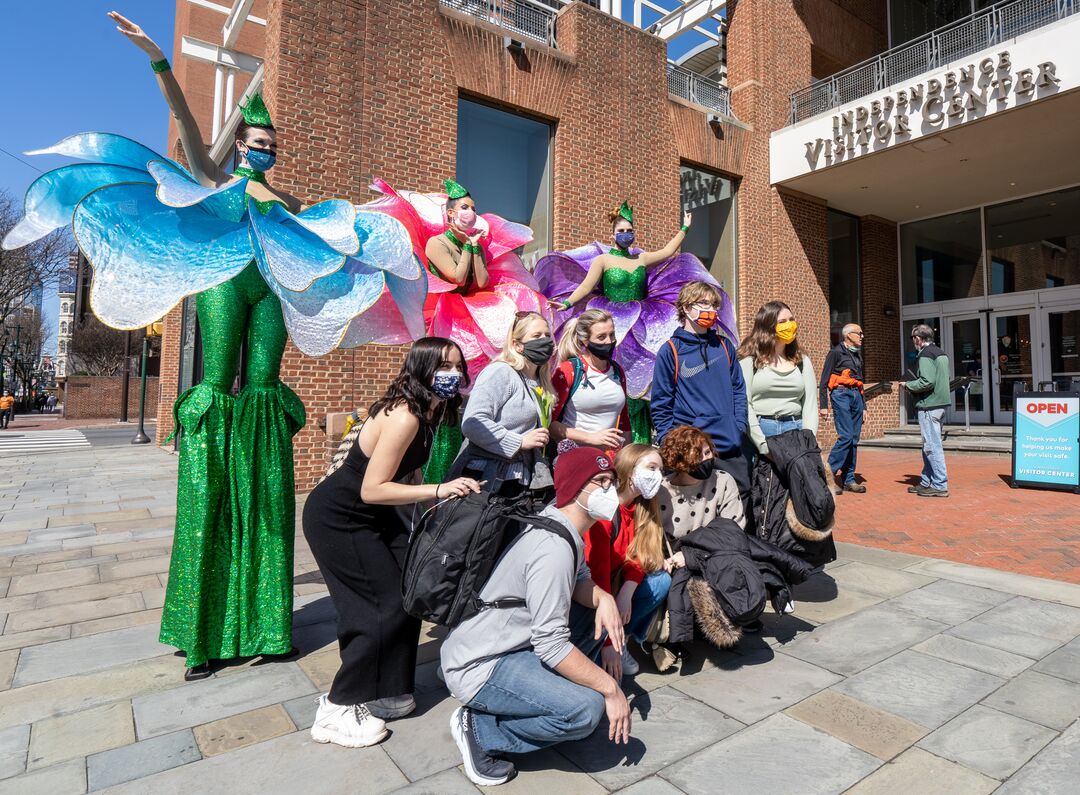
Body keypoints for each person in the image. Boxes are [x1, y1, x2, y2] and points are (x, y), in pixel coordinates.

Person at [0, 12, 421, 680]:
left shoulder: (288, 199)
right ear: (240, 147)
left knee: (261, 395)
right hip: (228, 286)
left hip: (272, 295)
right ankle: (207, 614)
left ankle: (263, 614)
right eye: (255, 140)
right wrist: (157, 61)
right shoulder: (219, 182)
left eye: (270, 142)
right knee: (220, 395)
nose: (263, 149)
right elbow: (192, 134)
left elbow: (323, 245)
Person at [303, 337, 481, 748]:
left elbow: (407, 474)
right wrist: (440, 491)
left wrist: (417, 522)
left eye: (456, 366)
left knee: (409, 590)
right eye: (442, 368)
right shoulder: (404, 415)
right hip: (341, 518)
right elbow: (372, 489)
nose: (452, 375)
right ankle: (336, 707)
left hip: (377, 517)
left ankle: (388, 689)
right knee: (376, 608)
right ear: (420, 369)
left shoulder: (431, 409)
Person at [441, 446, 631, 787]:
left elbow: (579, 581)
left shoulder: (563, 527)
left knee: (595, 618)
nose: (609, 490)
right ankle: (481, 731)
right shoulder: (553, 547)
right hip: (483, 662)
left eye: (611, 481)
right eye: (600, 481)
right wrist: (610, 689)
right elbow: (552, 645)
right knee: (585, 711)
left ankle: (544, 697)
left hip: (512, 643)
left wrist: (603, 597)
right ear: (575, 486)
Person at [363, 177, 547, 481]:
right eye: (464, 207)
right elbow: (457, 278)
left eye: (474, 207)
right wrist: (469, 249)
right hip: (445, 318)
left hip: (473, 316)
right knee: (442, 396)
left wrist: (476, 249)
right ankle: (435, 477)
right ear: (450, 214)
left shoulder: (476, 243)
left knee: (463, 395)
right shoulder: (438, 243)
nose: (471, 212)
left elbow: (483, 281)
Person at [536, 201, 734, 444]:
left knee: (643, 383)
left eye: (629, 230)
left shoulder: (641, 259)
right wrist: (566, 304)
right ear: (613, 234)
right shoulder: (604, 261)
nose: (625, 234)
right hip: (614, 323)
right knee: (618, 382)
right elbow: (586, 286)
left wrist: (685, 228)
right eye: (621, 231)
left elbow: (667, 251)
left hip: (641, 324)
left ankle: (641, 440)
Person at [651, 281, 750, 510]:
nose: (711, 309)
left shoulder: (725, 347)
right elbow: (661, 404)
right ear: (686, 307)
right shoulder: (670, 351)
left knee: (738, 515)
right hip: (691, 451)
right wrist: (672, 442)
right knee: (693, 516)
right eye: (704, 303)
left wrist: (738, 427)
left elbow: (738, 390)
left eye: (714, 305)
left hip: (730, 447)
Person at [585, 444, 672, 680]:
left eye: (661, 470)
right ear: (629, 468)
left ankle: (622, 638)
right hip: (592, 590)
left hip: (617, 582)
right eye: (651, 467)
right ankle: (606, 641)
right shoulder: (604, 510)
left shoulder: (642, 506)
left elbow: (643, 553)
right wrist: (605, 639)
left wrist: (628, 589)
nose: (657, 475)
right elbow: (597, 572)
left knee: (660, 581)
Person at [452, 311, 555, 497]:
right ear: (517, 345)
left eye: (547, 335)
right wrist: (520, 441)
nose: (545, 341)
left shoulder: (540, 382)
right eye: (536, 336)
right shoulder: (501, 372)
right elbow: (473, 422)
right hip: (485, 478)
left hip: (519, 480)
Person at [737, 301, 818, 457]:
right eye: (782, 322)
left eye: (791, 320)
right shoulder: (749, 360)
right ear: (767, 326)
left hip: (796, 430)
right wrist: (761, 443)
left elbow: (810, 405)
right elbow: (745, 404)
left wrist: (808, 440)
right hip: (761, 431)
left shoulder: (802, 361)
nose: (790, 325)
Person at [551, 309, 630, 453]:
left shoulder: (618, 371)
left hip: (608, 461)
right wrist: (590, 437)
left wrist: (626, 459)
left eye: (611, 335)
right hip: (575, 457)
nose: (609, 341)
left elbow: (624, 422)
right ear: (585, 341)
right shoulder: (569, 370)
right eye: (601, 337)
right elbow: (550, 423)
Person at [656, 425, 745, 538]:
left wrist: (689, 556)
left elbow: (734, 531)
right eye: (697, 457)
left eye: (707, 452)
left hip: (713, 552)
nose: (705, 459)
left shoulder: (723, 481)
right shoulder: (662, 491)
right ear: (680, 462)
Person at [903, 324, 951, 497]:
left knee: (931, 446)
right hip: (939, 405)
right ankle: (926, 481)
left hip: (929, 406)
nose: (913, 342)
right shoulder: (941, 353)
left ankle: (939, 484)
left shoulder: (925, 355)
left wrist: (907, 384)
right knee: (930, 445)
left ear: (918, 338)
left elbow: (926, 381)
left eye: (912, 338)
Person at [820, 323, 866, 494]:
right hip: (841, 395)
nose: (862, 336)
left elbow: (859, 381)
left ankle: (849, 479)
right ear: (848, 335)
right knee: (846, 436)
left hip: (856, 397)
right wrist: (823, 406)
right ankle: (826, 476)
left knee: (853, 440)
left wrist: (864, 406)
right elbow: (824, 380)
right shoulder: (835, 353)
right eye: (859, 333)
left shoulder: (856, 355)